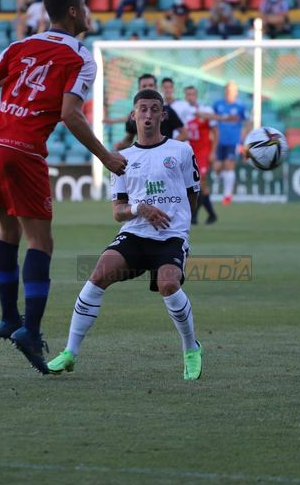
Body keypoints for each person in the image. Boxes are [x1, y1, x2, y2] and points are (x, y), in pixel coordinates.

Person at [0, 0, 127, 373]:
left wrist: (20, 85)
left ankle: (9, 318)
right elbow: (71, 114)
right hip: (22, 148)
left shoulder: (20, 46)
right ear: (73, 11)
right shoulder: (81, 57)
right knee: (42, 241)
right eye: (84, 5)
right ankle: (30, 330)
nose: (88, 12)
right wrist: (106, 157)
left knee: (9, 232)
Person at [47, 88, 202, 380]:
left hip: (170, 237)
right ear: (133, 115)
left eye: (154, 109)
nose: (148, 115)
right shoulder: (119, 159)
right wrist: (139, 209)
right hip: (135, 232)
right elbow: (118, 212)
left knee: (168, 284)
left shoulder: (181, 150)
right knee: (98, 273)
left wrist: (179, 226)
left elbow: (192, 195)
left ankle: (191, 348)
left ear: (163, 116)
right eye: (142, 109)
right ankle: (70, 352)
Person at [113, 74, 184, 149]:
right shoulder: (135, 114)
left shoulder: (168, 110)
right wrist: (119, 146)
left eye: (151, 85)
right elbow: (128, 139)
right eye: (144, 86)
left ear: (162, 116)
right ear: (133, 115)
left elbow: (184, 134)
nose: (147, 88)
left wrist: (166, 146)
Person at [182, 85, 219, 225]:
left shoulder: (206, 111)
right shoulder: (183, 112)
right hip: (190, 152)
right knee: (198, 186)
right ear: (185, 96)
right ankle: (209, 215)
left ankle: (196, 216)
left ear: (196, 95)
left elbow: (215, 132)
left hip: (203, 152)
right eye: (188, 94)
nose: (190, 96)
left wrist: (213, 152)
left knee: (201, 182)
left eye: (192, 94)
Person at [212, 81, 249, 205]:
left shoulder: (240, 106)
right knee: (217, 168)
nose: (230, 93)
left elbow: (247, 124)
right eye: (228, 90)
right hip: (219, 140)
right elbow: (212, 122)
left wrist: (244, 142)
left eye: (232, 91)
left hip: (233, 141)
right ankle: (230, 180)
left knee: (229, 165)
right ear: (225, 91)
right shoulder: (218, 105)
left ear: (236, 92)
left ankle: (227, 196)